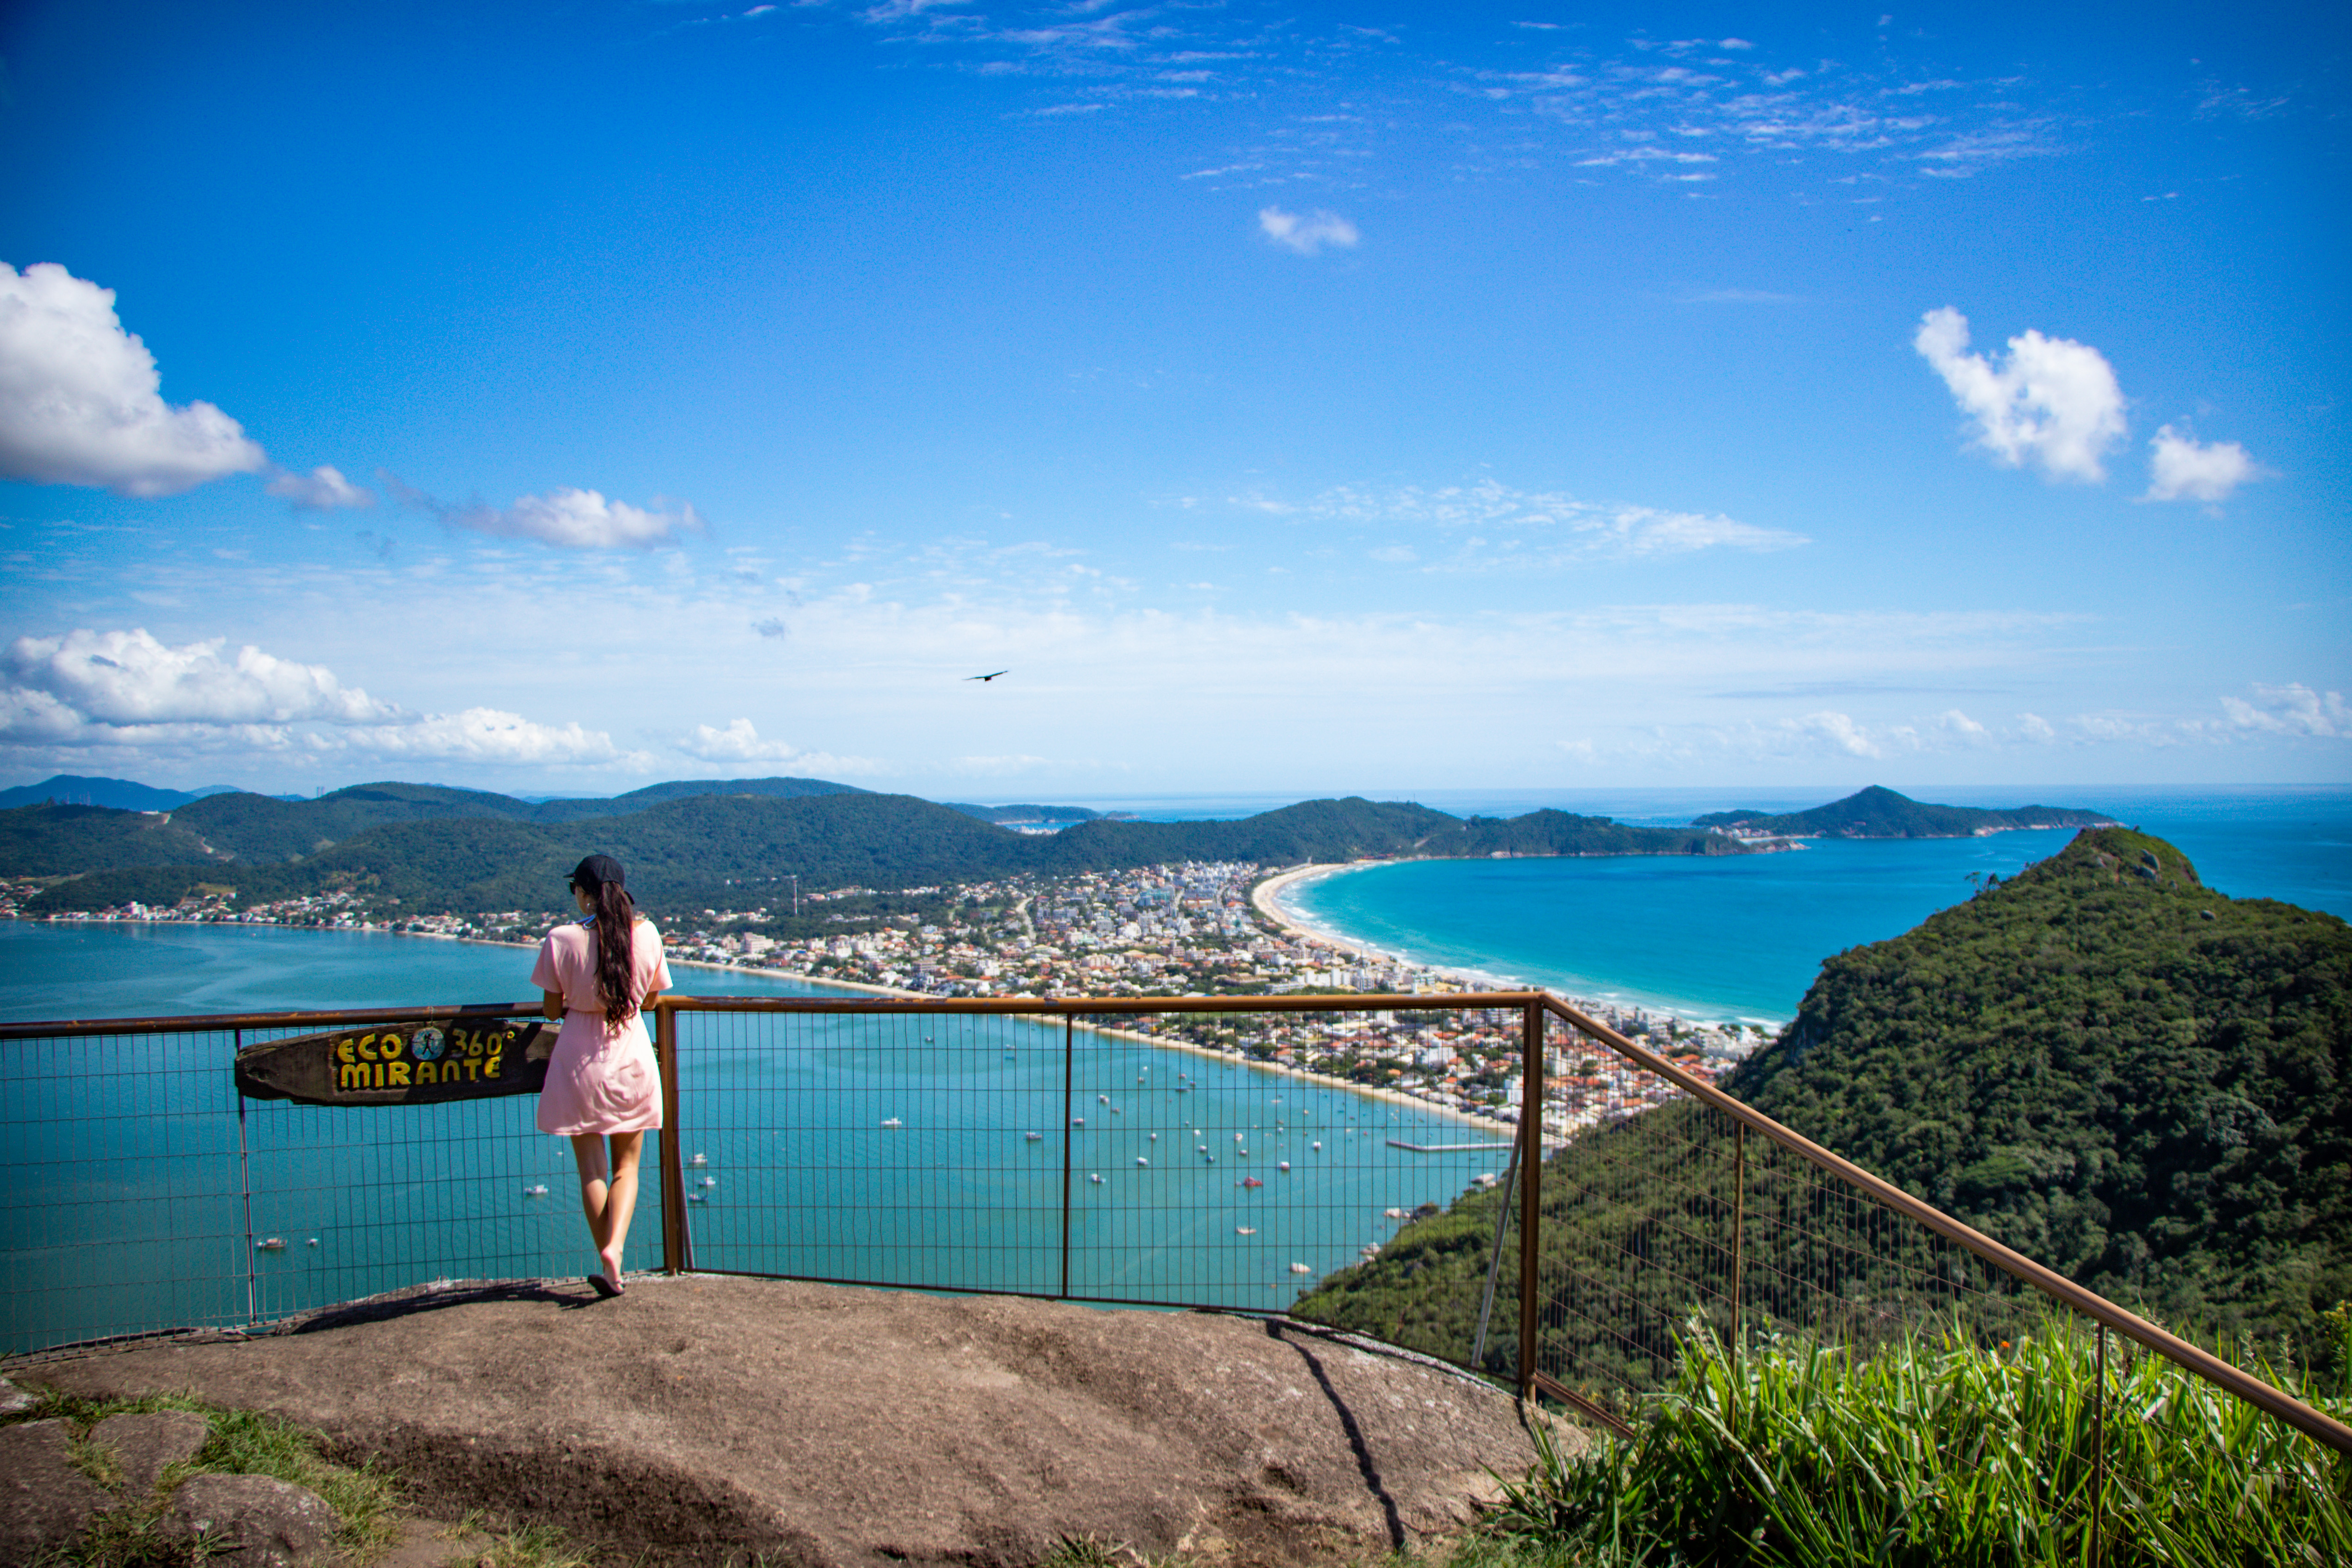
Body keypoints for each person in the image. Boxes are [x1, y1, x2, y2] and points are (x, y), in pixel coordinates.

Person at [531, 853, 672, 1297]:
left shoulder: (561, 939)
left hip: (578, 1060)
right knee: (626, 1168)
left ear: (584, 892)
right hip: (630, 1053)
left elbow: (552, 1009)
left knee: (591, 1170)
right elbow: (651, 1000)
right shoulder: (647, 934)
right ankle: (616, 1247)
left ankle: (610, 1268)